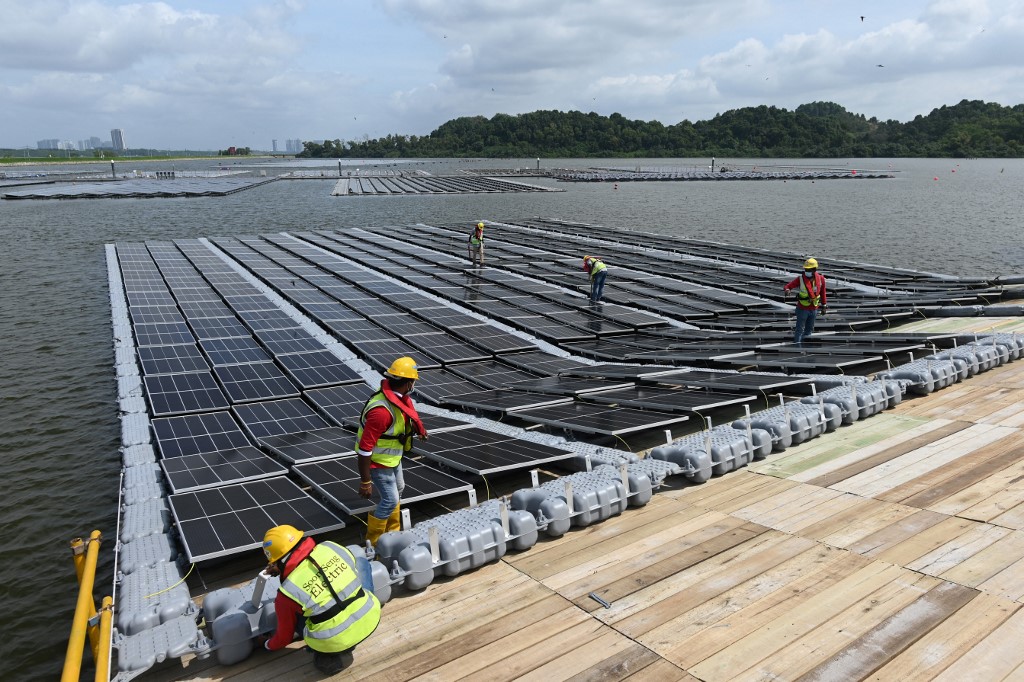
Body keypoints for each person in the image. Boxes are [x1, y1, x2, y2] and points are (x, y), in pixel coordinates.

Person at [258, 524, 381, 674]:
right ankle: (359, 614)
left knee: (296, 614)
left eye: (273, 562)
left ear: (280, 561)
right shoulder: (331, 547)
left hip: (336, 639)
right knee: (361, 563)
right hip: (371, 616)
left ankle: (329, 659)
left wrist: (267, 645)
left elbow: (284, 637)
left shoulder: (286, 593)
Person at [357, 356, 427, 546]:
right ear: (408, 383)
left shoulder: (399, 399)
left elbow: (407, 418)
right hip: (378, 462)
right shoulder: (381, 412)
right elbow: (364, 449)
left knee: (400, 488)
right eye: (413, 381)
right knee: (389, 500)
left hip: (392, 458)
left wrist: (419, 429)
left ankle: (393, 533)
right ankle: (374, 542)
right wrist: (365, 481)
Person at [783, 257, 827, 344]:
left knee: (809, 330)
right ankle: (797, 348)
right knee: (799, 330)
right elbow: (788, 286)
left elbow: (823, 292)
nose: (807, 271)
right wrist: (787, 290)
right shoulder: (800, 279)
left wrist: (824, 306)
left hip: (814, 308)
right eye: (806, 269)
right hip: (802, 309)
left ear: (814, 270)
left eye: (809, 269)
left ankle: (806, 348)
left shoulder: (821, 279)